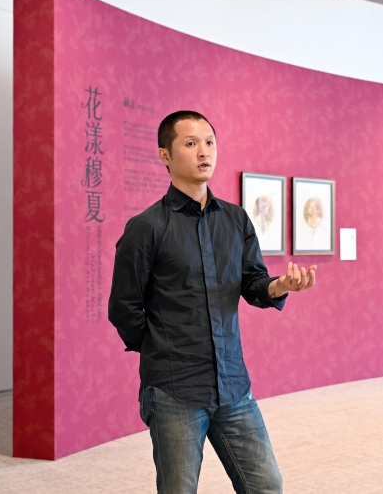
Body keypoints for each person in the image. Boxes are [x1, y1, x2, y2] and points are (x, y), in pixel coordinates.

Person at [109, 110, 317, 494]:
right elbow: (123, 307)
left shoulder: (236, 220)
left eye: (209, 142)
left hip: (233, 384)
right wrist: (161, 348)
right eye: (190, 143)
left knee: (267, 486)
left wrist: (279, 285)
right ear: (165, 155)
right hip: (175, 390)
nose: (204, 152)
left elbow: (252, 283)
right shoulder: (146, 228)